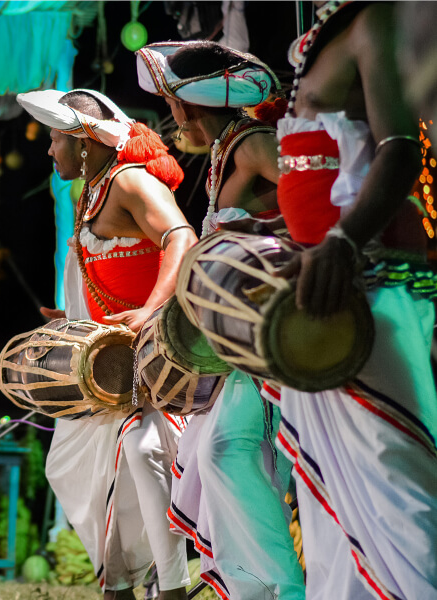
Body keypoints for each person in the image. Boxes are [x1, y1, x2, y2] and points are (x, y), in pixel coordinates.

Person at [265, 2, 437, 598]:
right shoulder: (328, 34)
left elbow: (400, 149)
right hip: (324, 285)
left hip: (369, 282)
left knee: (391, 475)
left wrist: (341, 241)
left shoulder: (375, 21)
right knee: (330, 494)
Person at [137, 41, 304, 600]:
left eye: (171, 104)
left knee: (227, 452)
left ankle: (281, 587)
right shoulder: (223, 153)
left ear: (187, 106)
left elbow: (318, 206)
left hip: (274, 332)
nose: (171, 117)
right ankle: (255, 584)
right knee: (222, 455)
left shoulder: (255, 144)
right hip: (237, 341)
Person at [16, 88, 196, 600]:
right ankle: (120, 583)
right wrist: (70, 318)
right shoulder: (92, 191)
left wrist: (152, 309)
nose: (49, 152)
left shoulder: (129, 182)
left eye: (55, 140)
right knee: (81, 472)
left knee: (138, 452)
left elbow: (182, 238)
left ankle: (173, 585)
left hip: (162, 358)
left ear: (84, 143)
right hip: (113, 363)